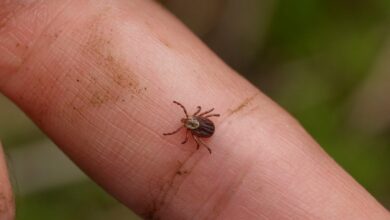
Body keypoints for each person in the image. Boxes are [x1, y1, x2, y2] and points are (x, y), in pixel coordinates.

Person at [0, 1, 389, 219]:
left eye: (189, 121)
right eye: (189, 121)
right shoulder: (196, 124)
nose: (187, 122)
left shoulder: (192, 126)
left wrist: (191, 130)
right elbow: (203, 119)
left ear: (192, 122)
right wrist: (196, 128)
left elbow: (200, 122)